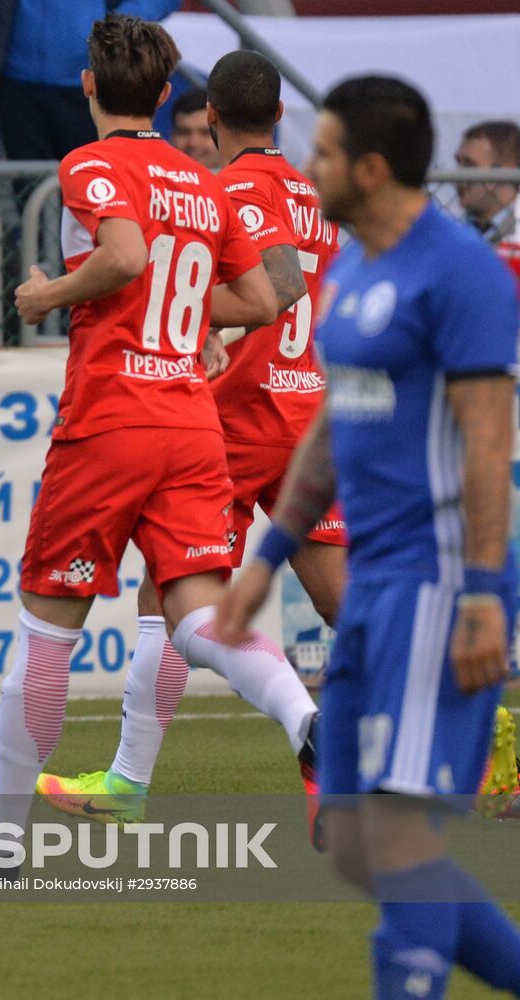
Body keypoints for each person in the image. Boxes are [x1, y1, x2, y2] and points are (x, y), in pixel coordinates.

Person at [0, 14, 320, 872]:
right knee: (195, 615)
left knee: (48, 628)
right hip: (193, 422)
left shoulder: (91, 163)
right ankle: (306, 720)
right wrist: (185, 316)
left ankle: (3, 835)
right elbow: (263, 302)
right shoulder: (203, 179)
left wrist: (49, 296)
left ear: (86, 86)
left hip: (112, 418)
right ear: (163, 94)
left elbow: (120, 254)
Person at [218, 76, 520, 1000]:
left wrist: (478, 593)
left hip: (440, 584)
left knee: (396, 836)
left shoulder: (458, 272)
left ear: (372, 167)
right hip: (379, 585)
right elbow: (333, 431)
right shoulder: (347, 270)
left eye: (324, 152)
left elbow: (486, 440)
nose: (307, 168)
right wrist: (266, 559)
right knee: (352, 840)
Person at [35, 50, 343, 844]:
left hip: (240, 413)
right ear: (280, 114)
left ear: (210, 120)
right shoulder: (315, 193)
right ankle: (453, 755)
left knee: (171, 600)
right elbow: (301, 287)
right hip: (311, 408)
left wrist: (186, 315)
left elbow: (266, 292)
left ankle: (128, 782)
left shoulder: (231, 186)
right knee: (350, 604)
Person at [0, 0, 180, 161]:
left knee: (89, 180)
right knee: (28, 187)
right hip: (17, 84)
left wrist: (113, 28)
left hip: (89, 84)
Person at [454, 119, 520, 287]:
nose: (457, 177)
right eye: (458, 163)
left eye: (469, 165)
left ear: (506, 173)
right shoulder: (454, 232)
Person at [170, 85, 221, 171]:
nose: (193, 142)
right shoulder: (153, 182)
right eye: (184, 132)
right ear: (172, 136)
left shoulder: (247, 181)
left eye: (205, 133)